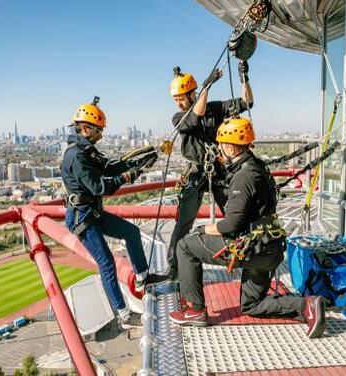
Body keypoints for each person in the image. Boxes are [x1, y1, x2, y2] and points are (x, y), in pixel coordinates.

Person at [168, 118, 326, 339]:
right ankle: (307, 305)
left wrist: (202, 230)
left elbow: (230, 225)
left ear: (231, 147)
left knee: (185, 246)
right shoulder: (256, 166)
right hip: (268, 248)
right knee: (252, 304)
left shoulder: (244, 176)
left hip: (253, 247)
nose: (219, 150)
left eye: (221, 145)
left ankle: (195, 310)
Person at [61, 97, 168, 328]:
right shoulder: (77, 156)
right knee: (106, 262)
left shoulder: (86, 150)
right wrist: (130, 176)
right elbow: (101, 187)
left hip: (92, 212)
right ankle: (124, 315)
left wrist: (138, 161)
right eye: (98, 130)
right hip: (83, 219)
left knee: (131, 232)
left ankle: (143, 278)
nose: (101, 134)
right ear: (85, 128)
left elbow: (110, 166)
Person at [166, 61, 254, 279]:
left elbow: (248, 102)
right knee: (184, 221)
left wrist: (244, 77)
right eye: (175, 100)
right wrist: (206, 88)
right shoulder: (179, 118)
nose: (178, 103)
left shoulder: (215, 108)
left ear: (190, 94)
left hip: (218, 170)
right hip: (195, 174)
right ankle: (174, 267)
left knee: (234, 214)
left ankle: (243, 253)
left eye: (180, 98)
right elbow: (195, 118)